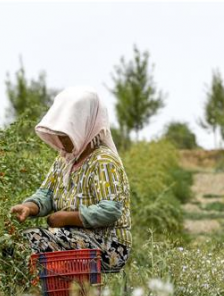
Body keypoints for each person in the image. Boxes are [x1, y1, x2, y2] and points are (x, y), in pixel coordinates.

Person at [10, 87, 132, 273]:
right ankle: (41, 291)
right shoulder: (65, 160)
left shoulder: (103, 161)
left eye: (67, 132)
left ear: (85, 126)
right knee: (14, 243)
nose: (61, 139)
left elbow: (110, 210)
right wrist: (29, 207)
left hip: (109, 245)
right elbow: (47, 194)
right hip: (74, 236)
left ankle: (36, 290)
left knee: (30, 241)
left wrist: (66, 218)